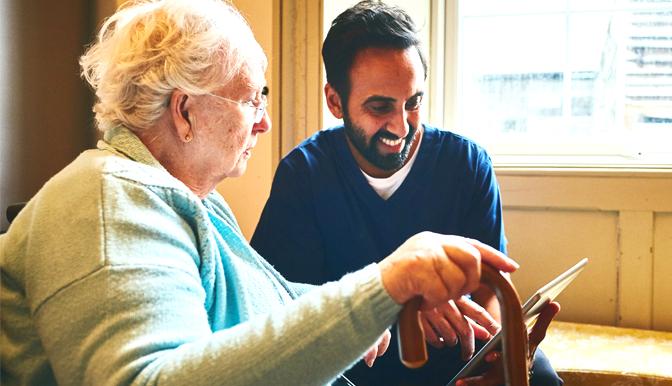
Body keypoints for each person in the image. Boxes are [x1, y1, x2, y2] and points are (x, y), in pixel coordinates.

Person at [0, 1, 531, 385]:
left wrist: (377, 307)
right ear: (185, 111)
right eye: (251, 100)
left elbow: (259, 310)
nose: (265, 121)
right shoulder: (108, 203)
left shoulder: (195, 203)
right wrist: (384, 286)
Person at [251, 1, 563, 385]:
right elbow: (276, 305)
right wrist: (394, 304)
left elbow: (492, 291)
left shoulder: (466, 164)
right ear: (335, 102)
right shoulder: (304, 175)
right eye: (380, 107)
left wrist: (498, 356)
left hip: (455, 360)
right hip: (358, 361)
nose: (401, 126)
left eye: (413, 103)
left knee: (539, 377)